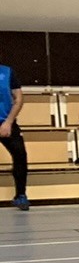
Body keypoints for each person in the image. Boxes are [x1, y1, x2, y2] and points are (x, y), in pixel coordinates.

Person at [0, 53, 26, 210]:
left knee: (20, 155)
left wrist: (8, 122)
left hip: (6, 122)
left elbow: (19, 98)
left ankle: (21, 195)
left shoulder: (7, 72)